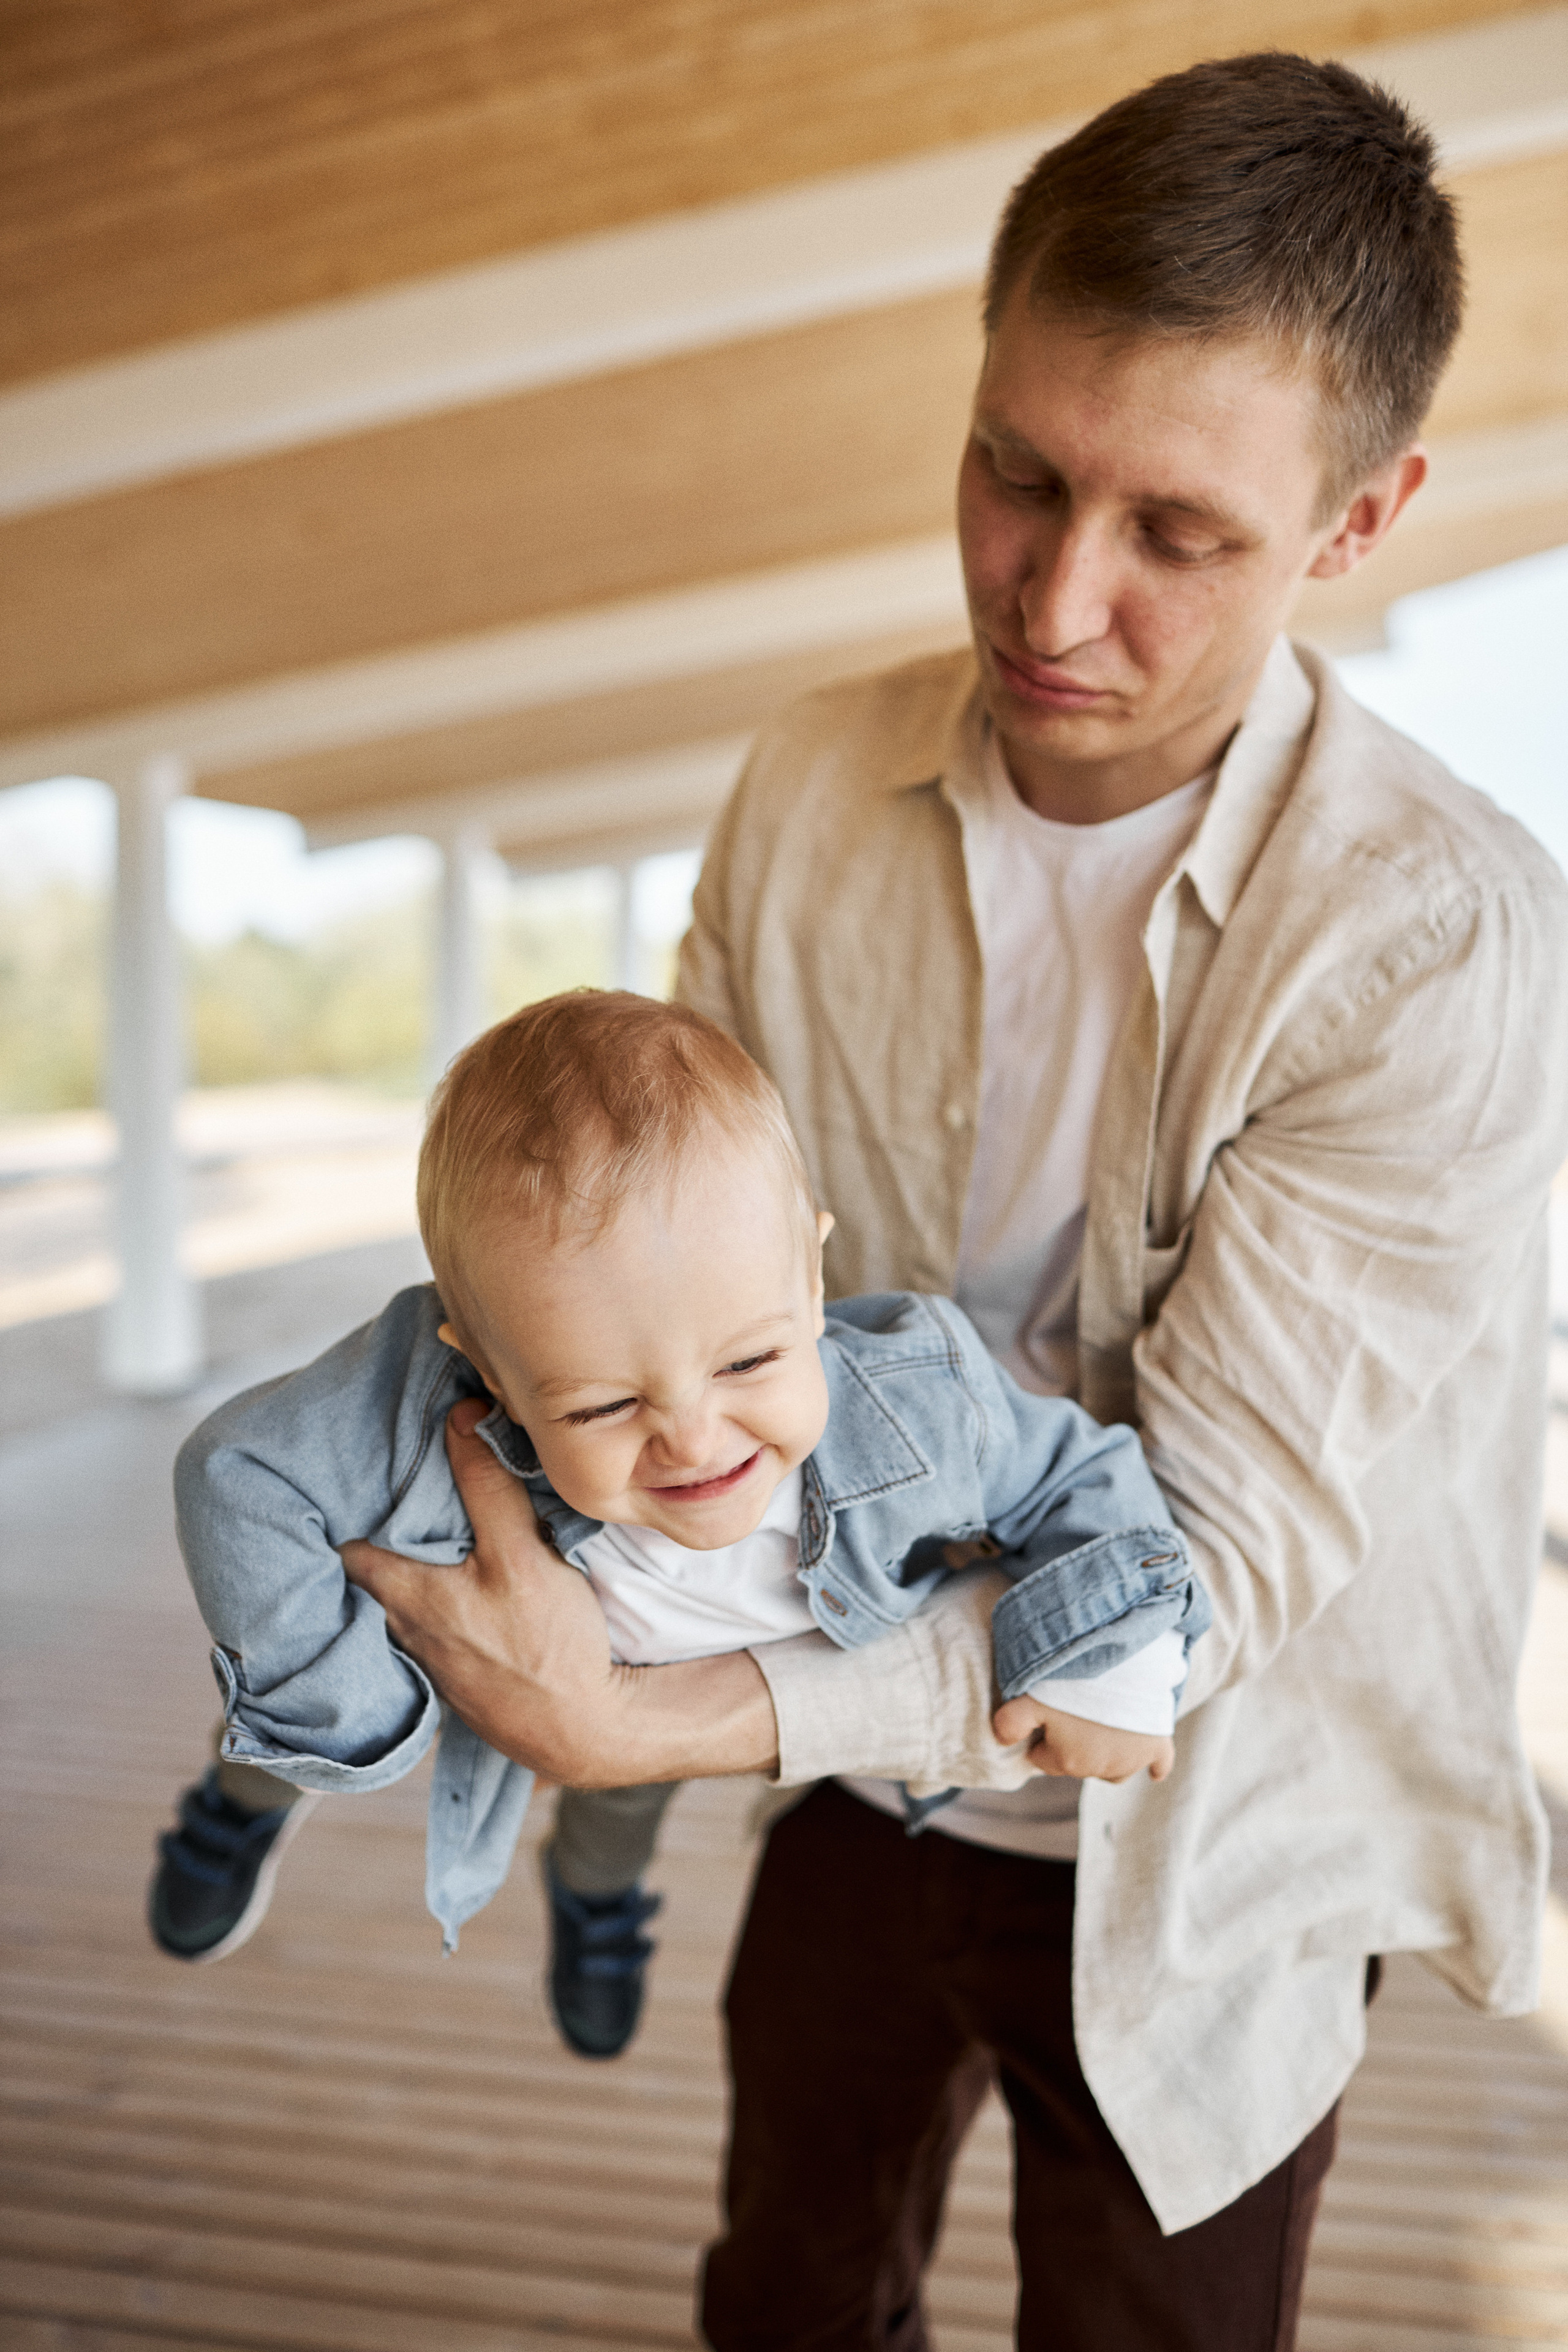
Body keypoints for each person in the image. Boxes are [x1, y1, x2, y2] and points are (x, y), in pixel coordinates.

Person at [338, 50, 1568, 2351]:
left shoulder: (1447, 938)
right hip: (844, 1785)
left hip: (1215, 1846)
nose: (1059, 594)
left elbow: (1188, 1581)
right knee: (788, 2299)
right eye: (1018, 472)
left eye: (1179, 533)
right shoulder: (808, 789)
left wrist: (636, 1728)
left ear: (1359, 522)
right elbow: (645, 1259)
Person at [151, 990, 1209, 2059]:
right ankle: (244, 1801)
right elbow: (230, 1472)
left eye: (750, 1361)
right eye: (603, 1407)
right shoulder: (412, 1402)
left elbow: (1086, 1477)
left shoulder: (923, 1407)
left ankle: (592, 1896)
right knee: (290, 1728)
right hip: (428, 1638)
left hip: (661, 1697)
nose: (696, 1445)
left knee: (624, 1800)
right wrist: (355, 1715)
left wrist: (1104, 1669)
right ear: (486, 1367)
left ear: (811, 1275)